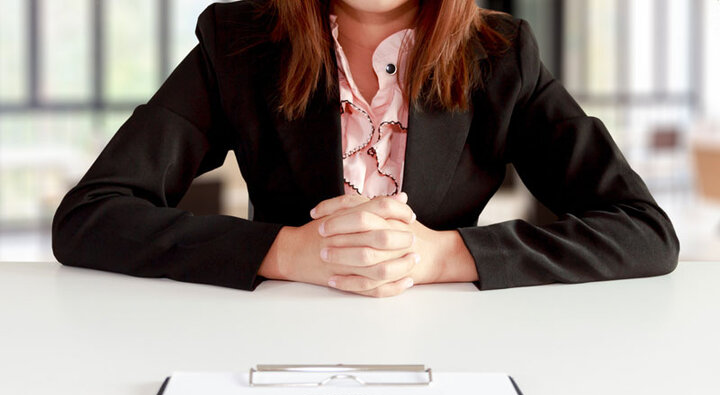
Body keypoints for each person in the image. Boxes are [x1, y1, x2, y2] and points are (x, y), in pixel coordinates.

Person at [52, 0, 679, 297]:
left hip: (452, 353)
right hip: (267, 346)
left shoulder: (500, 53)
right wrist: (285, 250)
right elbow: (91, 216)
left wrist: (441, 256)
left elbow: (643, 230)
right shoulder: (238, 41)